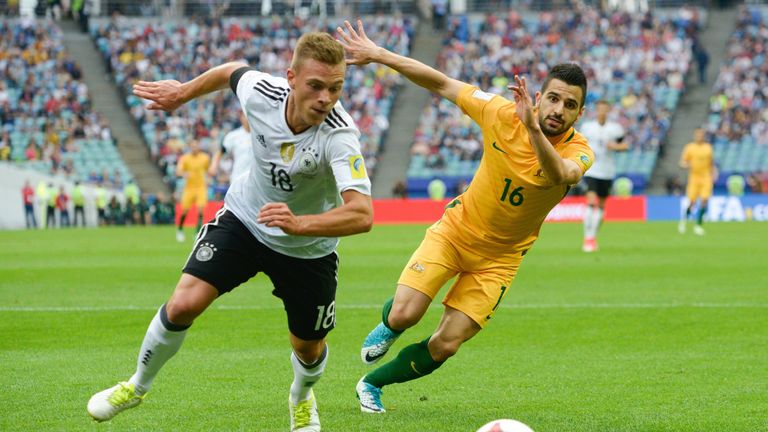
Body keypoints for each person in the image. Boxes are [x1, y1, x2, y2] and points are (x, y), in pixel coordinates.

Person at [86, 32, 374, 432]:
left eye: (335, 88)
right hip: (245, 218)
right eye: (316, 86)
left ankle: (302, 396)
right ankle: (136, 386)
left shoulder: (340, 135)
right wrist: (182, 93)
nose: (326, 97)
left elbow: (362, 214)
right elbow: (230, 71)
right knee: (184, 303)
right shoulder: (263, 92)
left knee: (308, 348)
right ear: (290, 77)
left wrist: (298, 223)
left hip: (307, 248)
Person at [337, 20, 593, 414]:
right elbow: (440, 83)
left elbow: (560, 174)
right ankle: (390, 325)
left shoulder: (580, 150)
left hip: (500, 260)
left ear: (579, 112)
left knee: (446, 343)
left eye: (570, 105)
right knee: (406, 312)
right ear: (538, 97)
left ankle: (371, 383)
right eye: (554, 99)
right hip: (456, 232)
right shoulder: (499, 112)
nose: (559, 110)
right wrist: (379, 54)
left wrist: (533, 130)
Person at [579, 100, 627, 252]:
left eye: (605, 109)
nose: (602, 112)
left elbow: (624, 145)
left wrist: (616, 147)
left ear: (609, 111)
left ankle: (592, 237)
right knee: (591, 202)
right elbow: (579, 144)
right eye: (600, 109)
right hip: (592, 170)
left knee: (601, 205)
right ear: (596, 110)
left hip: (607, 171)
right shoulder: (588, 127)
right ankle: (588, 238)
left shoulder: (615, 129)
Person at [679, 128, 716, 235]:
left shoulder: (708, 148)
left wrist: (713, 173)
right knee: (692, 202)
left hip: (706, 177)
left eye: (701, 134)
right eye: (698, 134)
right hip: (694, 178)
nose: (699, 136)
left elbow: (711, 163)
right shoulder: (689, 148)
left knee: (704, 200)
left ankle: (698, 225)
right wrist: (686, 165)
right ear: (695, 135)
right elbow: (682, 162)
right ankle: (684, 220)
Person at [175, 139, 210, 241]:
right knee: (185, 211)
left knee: (200, 210)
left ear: (199, 147)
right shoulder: (185, 158)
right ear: (190, 147)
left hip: (200, 187)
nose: (194, 148)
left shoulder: (205, 158)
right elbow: (178, 171)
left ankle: (197, 233)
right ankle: (180, 230)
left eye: (196, 146)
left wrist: (208, 178)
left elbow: (207, 170)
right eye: (192, 146)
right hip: (189, 188)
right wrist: (184, 174)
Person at [209, 111, 253, 184]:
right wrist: (213, 165)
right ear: (241, 118)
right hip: (238, 178)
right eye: (245, 116)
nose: (248, 119)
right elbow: (220, 152)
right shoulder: (233, 136)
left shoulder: (260, 136)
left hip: (256, 180)